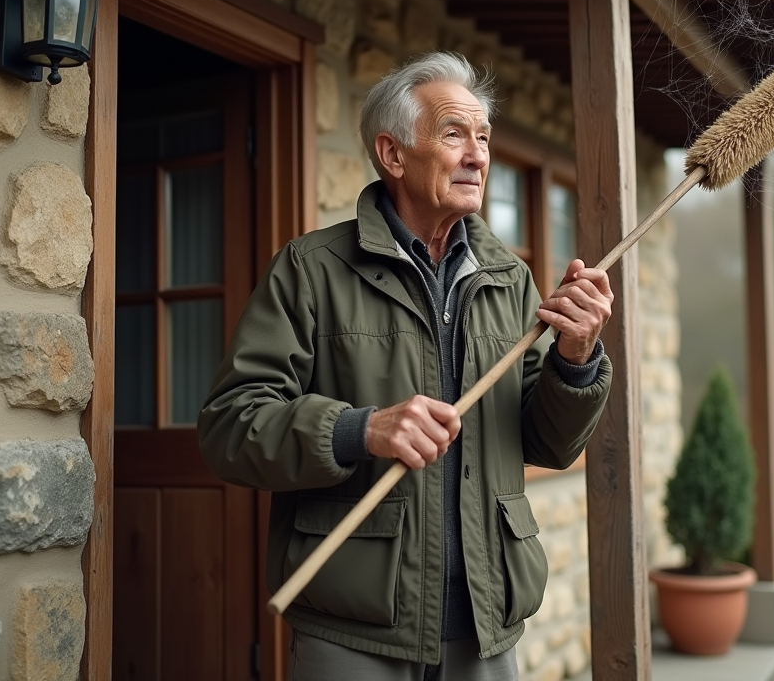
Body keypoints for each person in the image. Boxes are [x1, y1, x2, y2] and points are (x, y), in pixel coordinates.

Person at [198, 52, 613, 680]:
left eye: (483, 137)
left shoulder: (511, 281)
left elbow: (548, 443)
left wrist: (575, 362)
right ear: (393, 154)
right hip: (354, 629)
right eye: (454, 134)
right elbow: (230, 427)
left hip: (486, 622)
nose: (478, 154)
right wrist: (358, 429)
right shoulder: (311, 272)